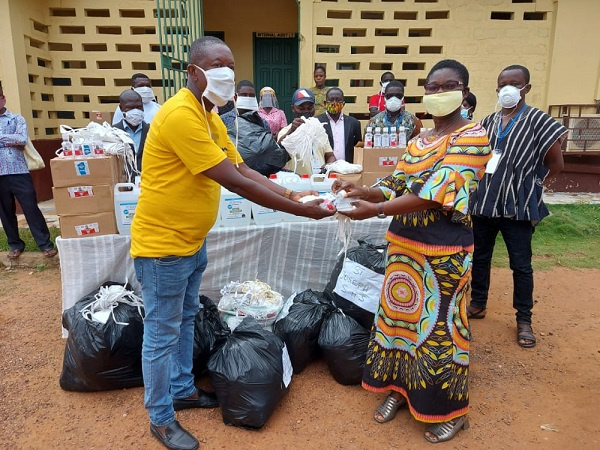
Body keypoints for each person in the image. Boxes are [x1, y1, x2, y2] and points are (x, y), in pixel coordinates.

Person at [130, 36, 333, 450]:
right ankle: (161, 417)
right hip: (162, 249)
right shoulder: (180, 115)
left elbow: (242, 165)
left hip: (191, 242)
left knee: (185, 320)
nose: (227, 73)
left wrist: (294, 195)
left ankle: (183, 389)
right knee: (161, 334)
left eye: (231, 64)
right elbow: (233, 180)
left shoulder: (211, 116)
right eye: (217, 65)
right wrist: (299, 211)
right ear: (193, 72)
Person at [332, 59, 491, 443]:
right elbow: (398, 181)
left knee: (440, 331)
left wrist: (378, 209)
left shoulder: (473, 137)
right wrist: (363, 191)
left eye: (447, 85)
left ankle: (450, 411)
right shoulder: (419, 140)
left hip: (445, 252)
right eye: (432, 87)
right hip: (404, 247)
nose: (438, 93)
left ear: (465, 91)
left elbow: (435, 194)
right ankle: (400, 391)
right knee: (398, 322)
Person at [469, 65, 566, 349]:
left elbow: (556, 164)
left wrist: (532, 185)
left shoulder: (540, 121)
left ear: (527, 88)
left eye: (515, 83)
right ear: (497, 88)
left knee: (521, 265)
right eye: (503, 84)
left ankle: (524, 319)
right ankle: (477, 303)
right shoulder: (487, 121)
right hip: (484, 203)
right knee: (480, 258)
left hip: (519, 207)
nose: (508, 88)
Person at [0, 90, 57, 259]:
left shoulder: (17, 119)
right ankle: (15, 245)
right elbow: (15, 140)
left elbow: (22, 139)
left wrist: (8, 139)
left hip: (18, 171)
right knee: (5, 211)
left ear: (3, 99)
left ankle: (45, 245)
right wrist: (10, 140)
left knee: (30, 208)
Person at [224, 80, 289, 176]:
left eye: (251, 95)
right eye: (244, 95)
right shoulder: (225, 120)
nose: (248, 98)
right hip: (234, 174)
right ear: (235, 97)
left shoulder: (262, 122)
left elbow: (268, 147)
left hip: (260, 173)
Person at [278, 88, 335, 175]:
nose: (306, 112)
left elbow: (330, 156)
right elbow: (278, 151)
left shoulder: (320, 130)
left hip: (318, 181)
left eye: (310, 108)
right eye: (301, 108)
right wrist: (292, 131)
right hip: (296, 182)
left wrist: (327, 167)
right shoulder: (285, 131)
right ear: (293, 108)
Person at [316, 87, 362, 163]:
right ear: (325, 103)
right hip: (324, 169)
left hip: (347, 169)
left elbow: (357, 147)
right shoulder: (317, 122)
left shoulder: (354, 123)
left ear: (343, 103)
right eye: (331, 100)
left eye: (338, 100)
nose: (334, 103)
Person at [113, 90, 149, 180]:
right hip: (123, 184)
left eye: (139, 107)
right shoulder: (113, 133)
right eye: (130, 108)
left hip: (148, 183)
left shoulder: (152, 131)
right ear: (121, 108)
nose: (135, 111)